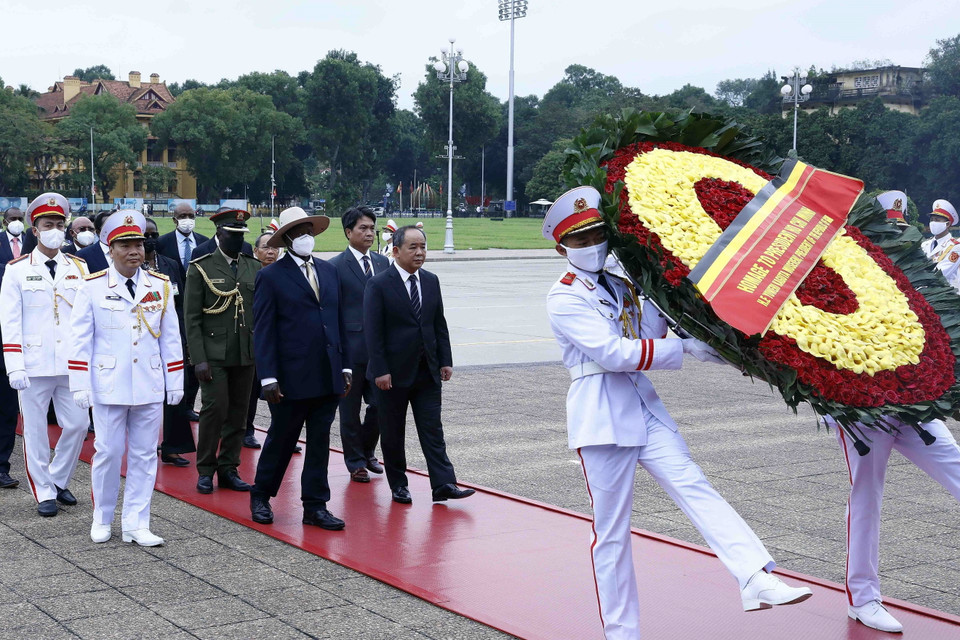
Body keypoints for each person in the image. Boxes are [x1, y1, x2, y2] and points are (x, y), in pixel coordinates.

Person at [543, 186, 812, 640]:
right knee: (611, 533)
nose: (591, 246)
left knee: (695, 486)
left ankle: (754, 577)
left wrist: (656, 290)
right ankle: (621, 632)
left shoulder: (623, 280)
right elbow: (612, 352)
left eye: (596, 236)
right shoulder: (564, 294)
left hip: (642, 405)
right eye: (579, 241)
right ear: (561, 247)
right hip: (601, 413)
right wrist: (684, 347)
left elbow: (648, 331)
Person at [69, 210, 183, 545]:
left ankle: (136, 522)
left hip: (148, 382)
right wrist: (80, 383)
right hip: (108, 383)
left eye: (139, 244)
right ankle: (102, 517)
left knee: (146, 455)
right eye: (125, 245)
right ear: (110, 247)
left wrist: (175, 379)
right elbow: (80, 338)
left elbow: (171, 336)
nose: (135, 251)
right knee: (107, 452)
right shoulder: (92, 286)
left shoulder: (159, 285)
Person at [250, 206, 350, 531]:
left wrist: (345, 367)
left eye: (309, 230)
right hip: (290, 376)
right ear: (287, 238)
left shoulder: (329, 271)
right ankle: (261, 495)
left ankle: (315, 505)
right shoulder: (270, 276)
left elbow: (338, 321)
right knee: (282, 438)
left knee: (320, 441)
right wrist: (268, 376)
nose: (305, 237)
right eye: (298, 232)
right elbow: (263, 330)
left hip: (328, 373)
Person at [364, 225, 473, 504]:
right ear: (396, 250)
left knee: (433, 430)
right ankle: (398, 484)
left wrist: (445, 360)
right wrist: (380, 370)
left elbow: (439, 324)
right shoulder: (378, 284)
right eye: (413, 247)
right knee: (392, 433)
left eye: (423, 247)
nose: (420, 252)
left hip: (427, 371)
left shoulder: (430, 280)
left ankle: (444, 483)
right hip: (391, 374)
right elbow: (373, 332)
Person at [0, 193, 90, 517]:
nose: (54, 229)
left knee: (79, 424)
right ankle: (43, 492)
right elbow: (9, 321)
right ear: (34, 230)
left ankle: (58, 478)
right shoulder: (17, 270)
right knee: (35, 431)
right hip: (33, 363)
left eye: (59, 224)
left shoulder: (79, 267)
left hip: (71, 363)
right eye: (47, 224)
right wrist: (14, 366)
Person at [185, 209, 259, 494]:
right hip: (213, 353)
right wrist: (198, 359)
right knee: (214, 411)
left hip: (244, 351)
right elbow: (192, 318)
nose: (237, 240)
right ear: (219, 233)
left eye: (241, 235)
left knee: (239, 414)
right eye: (232, 234)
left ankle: (229, 467)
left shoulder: (252, 265)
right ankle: (205, 470)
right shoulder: (202, 266)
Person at [329, 207, 389, 482]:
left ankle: (367, 451)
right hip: (350, 351)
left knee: (380, 406)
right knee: (350, 411)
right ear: (348, 232)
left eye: (371, 228)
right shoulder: (334, 266)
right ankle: (355, 462)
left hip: (378, 352)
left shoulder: (383, 262)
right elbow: (330, 311)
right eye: (363, 228)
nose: (369, 233)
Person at [142, 218, 195, 467]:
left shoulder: (170, 265)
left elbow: (183, 302)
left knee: (176, 393)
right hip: (142, 339)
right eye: (146, 235)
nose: (150, 240)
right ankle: (145, 444)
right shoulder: (130, 266)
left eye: (154, 234)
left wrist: (186, 340)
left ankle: (173, 447)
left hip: (172, 336)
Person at [157, 202, 208, 421]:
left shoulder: (204, 243)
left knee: (195, 355)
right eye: (182, 216)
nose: (187, 219)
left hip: (200, 307)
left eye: (190, 215)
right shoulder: (162, 243)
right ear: (174, 219)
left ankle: (188, 404)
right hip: (173, 306)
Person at [243, 232, 279, 450]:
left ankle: (281, 432)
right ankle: (247, 431)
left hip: (280, 341)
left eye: (274, 247)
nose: (270, 251)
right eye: (265, 247)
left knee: (280, 391)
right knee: (251, 390)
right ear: (255, 251)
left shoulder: (284, 273)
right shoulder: (249, 274)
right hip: (253, 339)